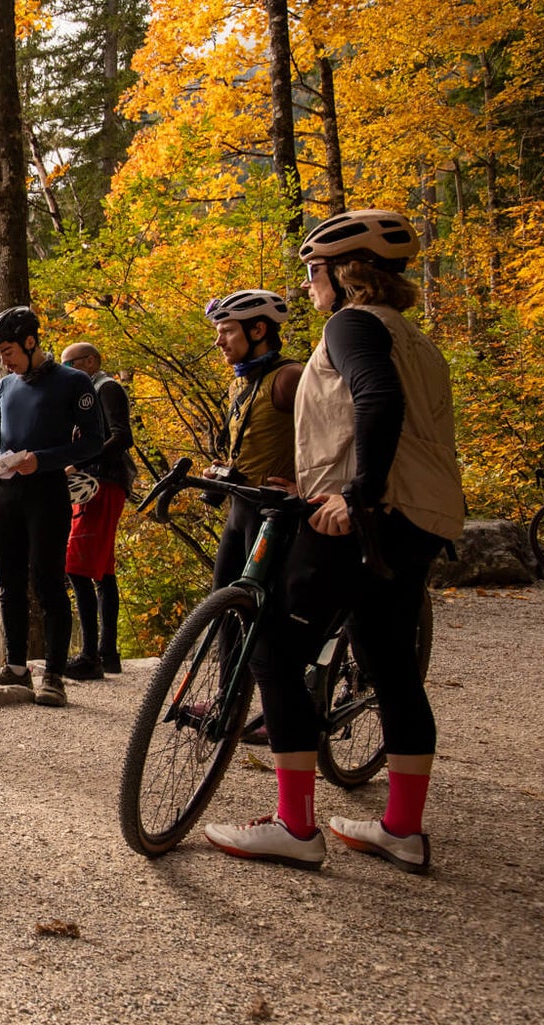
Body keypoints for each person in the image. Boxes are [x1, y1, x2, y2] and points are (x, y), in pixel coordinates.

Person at [201, 209, 464, 874]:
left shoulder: (350, 324)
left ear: (342, 276)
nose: (309, 283)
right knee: (392, 663)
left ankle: (295, 824)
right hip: (423, 517)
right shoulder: (415, 338)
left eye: (313, 271)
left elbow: (377, 401)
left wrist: (356, 493)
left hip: (367, 515)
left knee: (271, 648)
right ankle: (401, 829)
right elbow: (388, 416)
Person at [0, 307, 105, 707]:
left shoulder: (73, 381)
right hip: (7, 493)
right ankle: (15, 667)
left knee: (48, 583)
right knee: (8, 583)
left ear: (30, 342)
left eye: (8, 351)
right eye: (0, 354)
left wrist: (44, 460)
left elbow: (94, 441)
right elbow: (3, 441)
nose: (4, 360)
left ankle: (55, 676)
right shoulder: (7, 387)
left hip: (47, 494)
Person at [202, 289, 302, 595]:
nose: (219, 342)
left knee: (265, 607)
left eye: (228, 331)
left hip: (276, 512)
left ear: (258, 330)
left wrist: (307, 488)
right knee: (223, 599)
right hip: (241, 506)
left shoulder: (290, 377)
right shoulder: (240, 382)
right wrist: (224, 469)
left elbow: (336, 437)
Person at [55, 342, 133, 681]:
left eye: (71, 364)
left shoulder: (106, 387)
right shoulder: (86, 393)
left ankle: (90, 656)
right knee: (102, 570)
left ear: (91, 361)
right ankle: (107, 653)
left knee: (77, 567)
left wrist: (77, 463)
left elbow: (121, 436)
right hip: (98, 481)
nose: (67, 370)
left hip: (101, 482)